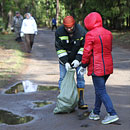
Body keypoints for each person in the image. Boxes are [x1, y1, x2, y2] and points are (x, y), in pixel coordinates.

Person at [78, 12, 119, 124]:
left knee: (101, 90)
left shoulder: (90, 34)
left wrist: (83, 65)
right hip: (108, 66)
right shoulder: (108, 33)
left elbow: (86, 52)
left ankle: (112, 113)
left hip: (97, 67)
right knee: (99, 90)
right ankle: (96, 112)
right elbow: (109, 49)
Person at [55, 16, 88, 109]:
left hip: (78, 59)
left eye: (71, 27)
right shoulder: (59, 32)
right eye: (67, 27)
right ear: (64, 26)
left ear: (74, 24)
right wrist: (65, 62)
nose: (69, 29)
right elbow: (59, 48)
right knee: (62, 78)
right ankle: (63, 101)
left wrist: (78, 60)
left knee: (80, 78)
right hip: (64, 60)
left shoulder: (81, 32)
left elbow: (84, 48)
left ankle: (80, 100)